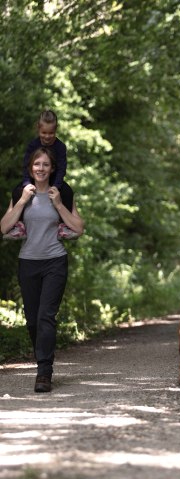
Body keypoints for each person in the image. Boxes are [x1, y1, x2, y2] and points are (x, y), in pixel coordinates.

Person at [0, 147, 84, 393]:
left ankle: (44, 372)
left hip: (55, 261)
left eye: (45, 164)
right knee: (32, 320)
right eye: (37, 164)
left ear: (52, 168)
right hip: (28, 262)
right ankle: (43, 359)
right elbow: (4, 227)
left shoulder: (62, 193)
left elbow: (78, 227)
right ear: (31, 168)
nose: (41, 168)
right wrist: (23, 201)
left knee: (46, 316)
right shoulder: (21, 192)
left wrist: (58, 205)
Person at [3, 110, 75, 240]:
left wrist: (57, 186)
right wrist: (26, 183)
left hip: (54, 179)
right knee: (16, 191)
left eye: (51, 133)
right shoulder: (33, 145)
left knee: (68, 192)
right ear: (38, 129)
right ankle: (18, 225)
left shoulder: (60, 147)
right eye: (44, 133)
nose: (47, 136)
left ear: (56, 130)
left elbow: (61, 169)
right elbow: (26, 166)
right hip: (33, 179)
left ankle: (64, 225)